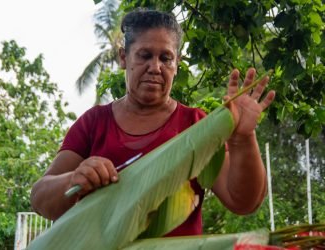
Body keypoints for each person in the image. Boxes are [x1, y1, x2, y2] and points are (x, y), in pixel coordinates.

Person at [30, 9, 276, 236]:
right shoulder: (93, 123)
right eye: (145, 55)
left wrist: (243, 137)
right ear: (124, 57)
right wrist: (74, 179)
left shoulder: (196, 124)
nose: (155, 67)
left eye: (166, 58)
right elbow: (40, 199)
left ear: (177, 64)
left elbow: (243, 201)